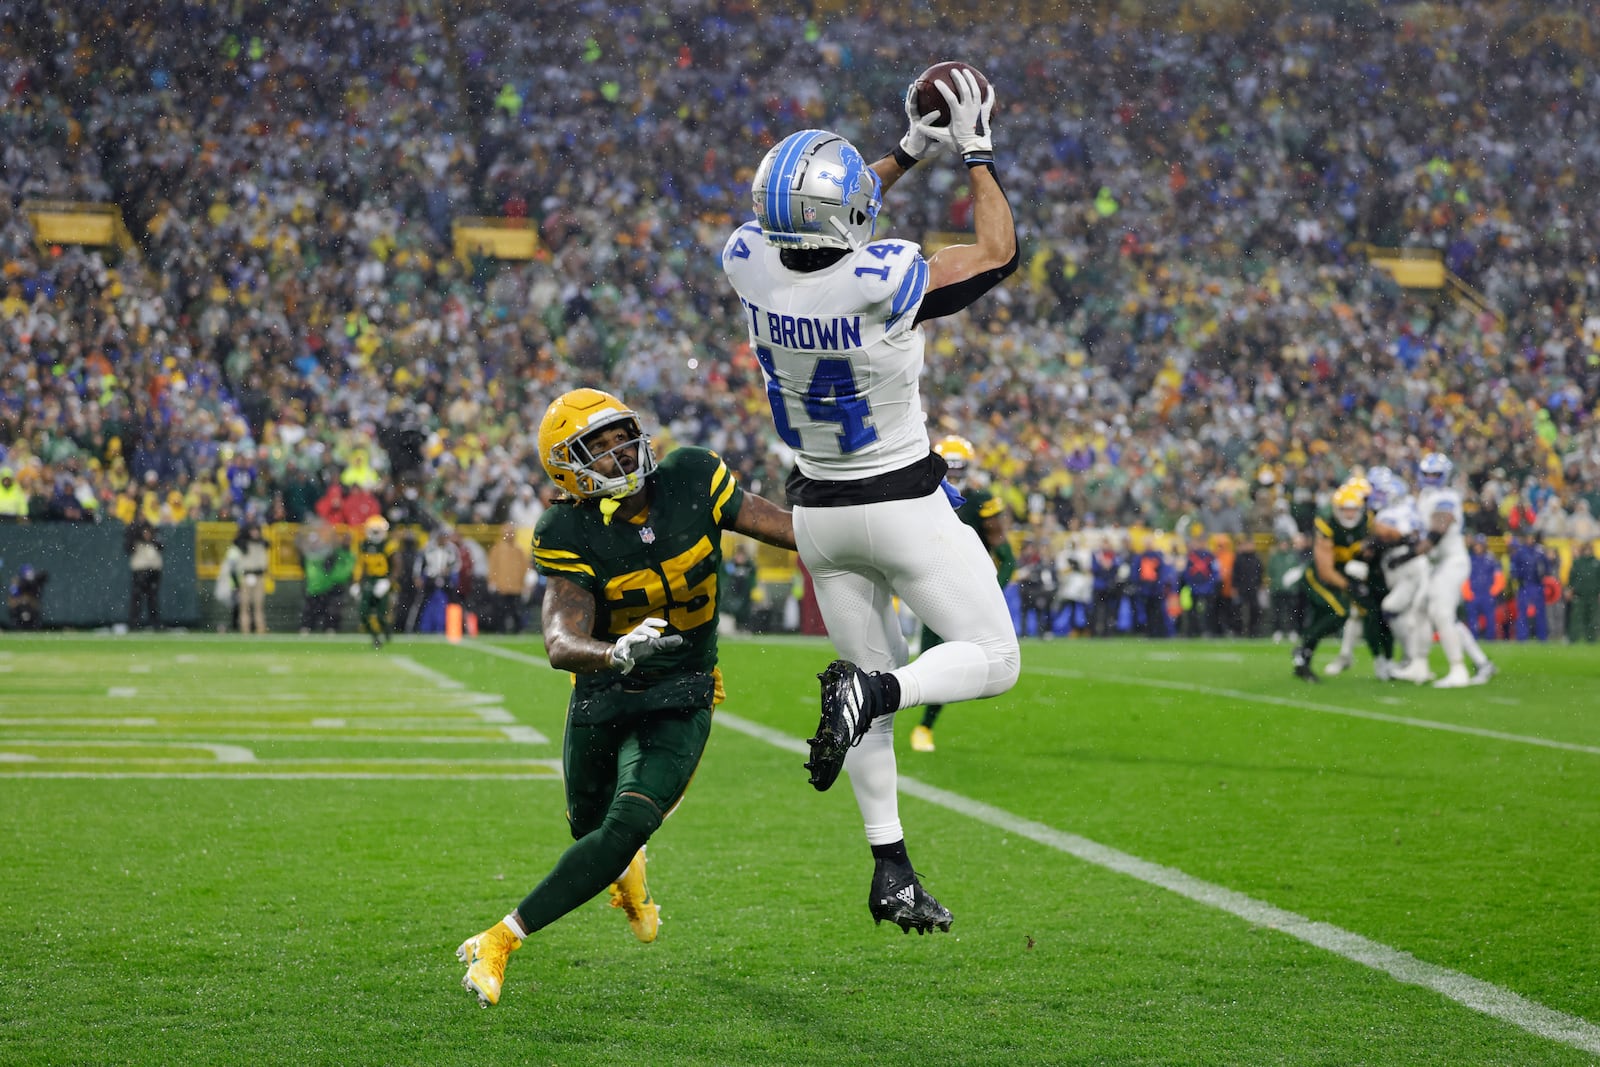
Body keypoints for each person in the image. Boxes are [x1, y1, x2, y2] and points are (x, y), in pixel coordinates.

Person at [719, 67, 1021, 933]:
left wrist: (898, 156)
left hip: (818, 514)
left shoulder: (747, 264)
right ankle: (884, 689)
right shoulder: (883, 277)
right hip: (902, 501)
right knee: (991, 661)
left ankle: (891, 867)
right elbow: (997, 251)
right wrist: (971, 151)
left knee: (861, 692)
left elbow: (802, 227)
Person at [457, 388, 797, 1008]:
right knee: (591, 835)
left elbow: (791, 530)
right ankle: (628, 879)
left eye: (622, 435)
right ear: (568, 466)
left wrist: (864, 525)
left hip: (683, 688)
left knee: (628, 822)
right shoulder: (567, 527)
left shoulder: (692, 477)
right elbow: (561, 639)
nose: (619, 451)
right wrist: (612, 653)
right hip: (605, 690)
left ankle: (501, 940)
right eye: (599, 445)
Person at [1291, 482, 1367, 682]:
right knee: (1339, 612)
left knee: (1320, 617)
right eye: (1345, 510)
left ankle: (1302, 659)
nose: (1350, 515)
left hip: (1340, 576)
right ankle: (1302, 649)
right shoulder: (1327, 523)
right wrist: (1351, 586)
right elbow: (1325, 570)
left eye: (1353, 510)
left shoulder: (1368, 522)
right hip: (1317, 578)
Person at [351, 515, 396, 649]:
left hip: (383, 580)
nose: (375, 534)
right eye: (373, 531)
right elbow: (361, 566)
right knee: (363, 613)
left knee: (382, 616)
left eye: (378, 531)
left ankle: (387, 631)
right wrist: (356, 583)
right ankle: (375, 638)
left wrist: (388, 582)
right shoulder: (364, 544)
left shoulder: (388, 545)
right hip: (369, 581)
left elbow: (397, 566)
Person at [486, 522, 531, 634]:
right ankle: (501, 630)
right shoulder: (497, 549)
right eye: (507, 532)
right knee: (501, 611)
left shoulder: (518, 550)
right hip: (502, 587)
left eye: (511, 532)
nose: (510, 535)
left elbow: (524, 568)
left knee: (516, 611)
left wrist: (525, 584)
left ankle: (518, 630)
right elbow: (492, 567)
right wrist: (492, 581)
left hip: (516, 587)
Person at [125, 517, 164, 629]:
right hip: (140, 571)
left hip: (154, 571)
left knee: (153, 599)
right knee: (137, 598)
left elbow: (161, 546)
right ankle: (134, 623)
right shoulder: (135, 540)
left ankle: (155, 623)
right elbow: (128, 547)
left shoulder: (155, 540)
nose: (147, 534)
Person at [1567, 540, 1600, 643]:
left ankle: (1591, 638)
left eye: (1589, 548)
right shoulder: (1577, 562)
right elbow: (1572, 578)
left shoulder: (1596, 562)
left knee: (1592, 618)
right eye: (1586, 548)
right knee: (1576, 617)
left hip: (1593, 594)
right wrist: (1570, 589)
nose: (1587, 551)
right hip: (1579, 594)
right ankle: (1574, 638)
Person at [6, 564, 48, 629]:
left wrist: (29, 600)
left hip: (31, 609)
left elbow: (36, 601)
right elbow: (11, 601)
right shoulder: (17, 584)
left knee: (35, 621)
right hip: (18, 609)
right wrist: (22, 600)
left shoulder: (34, 585)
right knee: (17, 620)